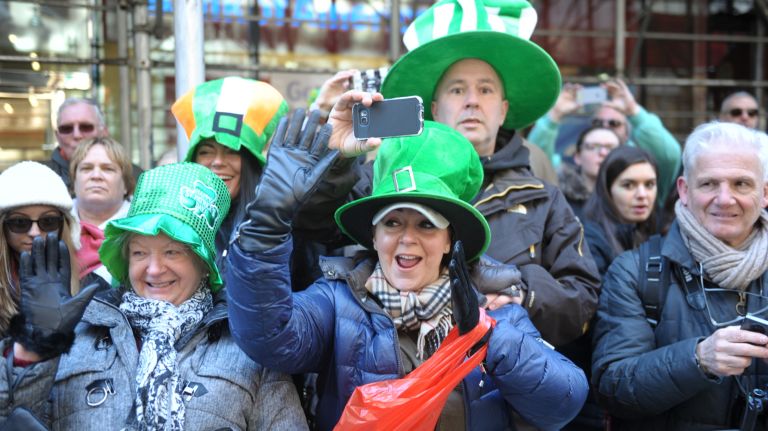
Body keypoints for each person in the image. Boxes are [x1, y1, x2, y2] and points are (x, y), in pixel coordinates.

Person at [226, 112, 589, 431]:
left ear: (450, 241)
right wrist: (267, 222)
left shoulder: (495, 310)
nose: (407, 239)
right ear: (374, 234)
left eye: (426, 225)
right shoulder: (337, 303)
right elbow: (268, 336)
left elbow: (563, 403)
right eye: (393, 222)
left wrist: (486, 337)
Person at [0, 162, 307, 430]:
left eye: (172, 251)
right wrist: (34, 351)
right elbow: (13, 418)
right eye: (139, 252)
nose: (154, 269)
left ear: (203, 265)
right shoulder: (75, 333)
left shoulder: (248, 345)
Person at [378, 0, 600, 346]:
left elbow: (583, 298)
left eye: (485, 89)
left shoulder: (545, 199)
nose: (472, 101)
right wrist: (337, 158)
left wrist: (525, 296)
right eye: (456, 90)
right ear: (434, 110)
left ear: (503, 110)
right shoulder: (388, 184)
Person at [591, 121, 768, 430]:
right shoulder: (634, 271)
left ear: (764, 193)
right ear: (684, 191)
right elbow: (612, 387)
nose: (725, 199)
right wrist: (698, 359)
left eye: (741, 184)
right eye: (709, 184)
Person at [171, 76, 288, 271]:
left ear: (250, 163)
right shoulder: (173, 222)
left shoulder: (275, 220)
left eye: (232, 151)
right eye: (206, 151)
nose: (217, 162)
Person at [527, 79, 681, 205]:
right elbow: (537, 161)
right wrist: (554, 114)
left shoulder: (644, 176)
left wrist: (633, 110)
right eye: (598, 124)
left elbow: (669, 156)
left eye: (614, 124)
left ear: (628, 135)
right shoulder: (565, 175)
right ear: (578, 155)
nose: (605, 129)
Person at [0, 161, 81, 335]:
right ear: (3, 227)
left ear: (63, 226)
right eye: (20, 222)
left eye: (48, 221)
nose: (35, 232)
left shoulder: (89, 282)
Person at [582, 146, 659, 275]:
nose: (642, 194)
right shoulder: (588, 242)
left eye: (649, 184)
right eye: (628, 185)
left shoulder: (657, 232)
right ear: (607, 190)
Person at [69, 137, 134, 289]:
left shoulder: (142, 227)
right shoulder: (52, 225)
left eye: (108, 169)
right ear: (74, 181)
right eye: (86, 168)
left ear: (125, 184)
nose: (96, 175)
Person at [46, 97, 142, 193]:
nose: (76, 135)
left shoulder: (138, 179)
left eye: (86, 127)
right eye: (66, 128)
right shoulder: (39, 178)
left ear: (103, 132)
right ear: (57, 136)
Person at [558, 126, 622, 218]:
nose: (603, 153)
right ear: (578, 157)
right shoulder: (558, 198)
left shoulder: (633, 197)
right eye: (593, 147)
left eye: (611, 148)